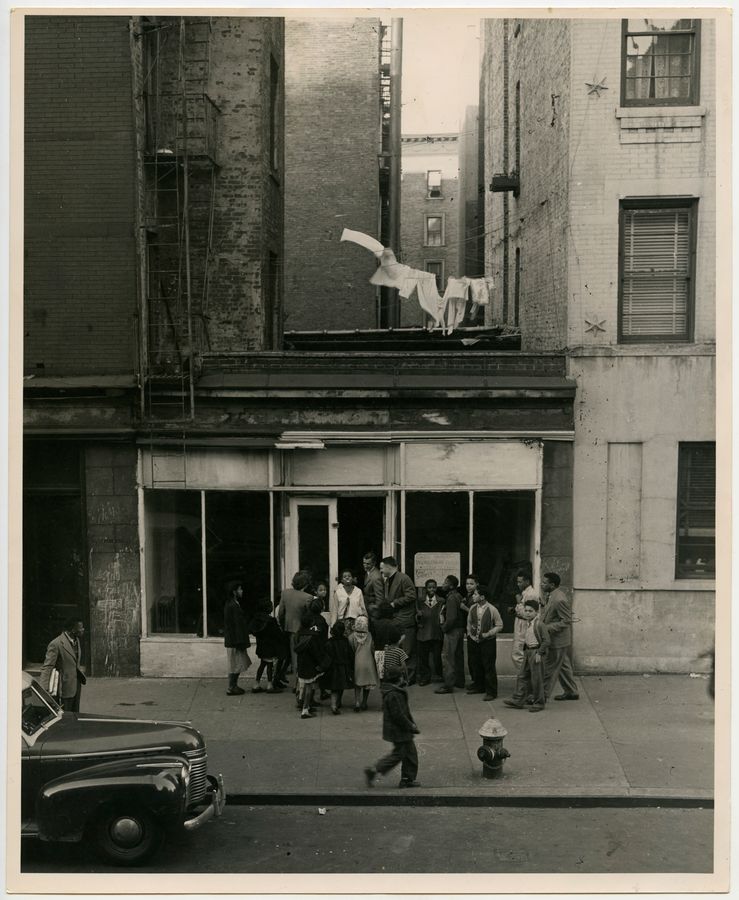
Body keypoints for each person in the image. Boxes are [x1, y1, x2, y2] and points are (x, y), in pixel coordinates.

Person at [364, 664, 420, 789]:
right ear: (399, 678)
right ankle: (376, 770)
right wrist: (410, 725)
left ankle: (407, 778)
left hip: (398, 730)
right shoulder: (395, 694)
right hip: (399, 730)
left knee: (408, 754)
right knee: (401, 754)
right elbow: (399, 715)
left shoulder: (392, 691)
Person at [504, 598, 550, 712]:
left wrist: (539, 652)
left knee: (537, 678)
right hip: (528, 652)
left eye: (531, 611)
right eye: (526, 610)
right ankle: (518, 699)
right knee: (522, 675)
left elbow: (547, 641)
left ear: (536, 612)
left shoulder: (540, 624)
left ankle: (539, 703)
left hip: (536, 652)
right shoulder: (528, 622)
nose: (528, 613)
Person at [541, 572, 579, 701]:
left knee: (549, 669)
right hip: (558, 640)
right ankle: (572, 691)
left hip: (558, 641)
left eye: (544, 582)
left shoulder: (559, 599)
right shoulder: (552, 595)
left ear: (552, 585)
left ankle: (542, 696)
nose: (542, 584)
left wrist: (548, 628)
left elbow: (566, 620)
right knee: (563, 666)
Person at [381, 556, 418, 684]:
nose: (381, 571)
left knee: (408, 651)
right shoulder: (388, 580)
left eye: (382, 568)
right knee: (401, 651)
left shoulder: (404, 578)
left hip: (405, 621)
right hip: (397, 621)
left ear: (388, 567)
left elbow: (412, 595)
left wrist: (394, 603)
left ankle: (409, 678)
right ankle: (401, 677)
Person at [39, 616, 87, 712]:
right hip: (63, 688)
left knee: (75, 714)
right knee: (65, 715)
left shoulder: (76, 640)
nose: (83, 629)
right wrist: (43, 690)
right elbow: (47, 667)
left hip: (76, 686)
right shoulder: (56, 644)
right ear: (73, 629)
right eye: (80, 627)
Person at [466, 586, 504, 700]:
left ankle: (491, 692)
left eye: (475, 594)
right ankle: (479, 686)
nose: (473, 596)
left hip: (488, 642)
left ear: (482, 597)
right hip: (474, 641)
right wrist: (470, 634)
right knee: (476, 664)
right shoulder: (473, 607)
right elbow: (469, 622)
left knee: (488, 666)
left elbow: (500, 625)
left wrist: (489, 633)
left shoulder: (492, 609)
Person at [278, 572, 314, 680]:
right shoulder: (308, 597)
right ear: (306, 584)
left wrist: (283, 625)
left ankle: (293, 681)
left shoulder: (285, 593)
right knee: (301, 657)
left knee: (293, 657)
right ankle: (299, 683)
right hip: (302, 631)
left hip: (288, 629)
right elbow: (309, 616)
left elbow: (280, 613)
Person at [434, 575, 466, 694]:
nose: (443, 584)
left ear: (451, 585)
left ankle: (448, 685)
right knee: (458, 655)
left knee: (447, 657)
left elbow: (451, 618)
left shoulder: (451, 598)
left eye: (445, 582)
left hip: (452, 631)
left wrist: (444, 628)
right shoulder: (458, 596)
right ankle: (460, 681)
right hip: (459, 629)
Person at [250, 598, 286, 694]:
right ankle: (270, 685)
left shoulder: (256, 619)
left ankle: (256, 684)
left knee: (262, 664)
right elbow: (277, 634)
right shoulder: (271, 621)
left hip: (261, 646)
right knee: (270, 665)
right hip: (270, 647)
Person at [294, 609, 325, 719]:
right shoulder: (313, 637)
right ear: (312, 623)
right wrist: (320, 663)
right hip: (310, 664)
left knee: (302, 684)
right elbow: (316, 652)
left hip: (301, 662)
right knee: (309, 686)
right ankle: (305, 709)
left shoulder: (298, 635)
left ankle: (301, 703)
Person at [223, 583, 251, 696]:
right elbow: (237, 626)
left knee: (236, 664)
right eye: (240, 589)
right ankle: (231, 686)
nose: (242, 591)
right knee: (236, 664)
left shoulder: (232, 604)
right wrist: (241, 642)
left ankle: (233, 685)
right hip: (235, 641)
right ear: (234, 592)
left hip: (233, 640)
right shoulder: (233, 606)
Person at [320, 621, 354, 714]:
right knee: (341, 686)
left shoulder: (329, 642)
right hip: (344, 667)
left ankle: (333, 705)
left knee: (334, 688)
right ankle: (338, 702)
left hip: (333, 668)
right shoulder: (345, 641)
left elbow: (327, 656)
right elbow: (350, 655)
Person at [416, 579, 443, 685]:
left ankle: (438, 676)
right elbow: (416, 614)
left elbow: (443, 616)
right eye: (429, 587)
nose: (432, 589)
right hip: (423, 633)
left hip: (436, 633)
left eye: (434, 587)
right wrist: (418, 617)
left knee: (437, 656)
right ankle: (425, 677)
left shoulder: (441, 601)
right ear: (426, 588)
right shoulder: (420, 600)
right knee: (423, 657)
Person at [348, 615, 378, 711]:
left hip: (357, 663)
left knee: (358, 684)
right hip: (369, 662)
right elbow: (373, 648)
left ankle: (357, 702)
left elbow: (351, 649)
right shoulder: (370, 636)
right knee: (367, 684)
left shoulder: (352, 636)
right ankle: (364, 702)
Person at [511, 572, 539, 671]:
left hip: (524, 626)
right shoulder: (525, 592)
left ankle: (525, 675)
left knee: (517, 654)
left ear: (527, 581)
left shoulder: (531, 594)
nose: (518, 584)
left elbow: (527, 614)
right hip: (520, 624)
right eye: (517, 582)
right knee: (518, 653)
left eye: (520, 582)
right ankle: (525, 676)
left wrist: (518, 603)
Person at [330, 569, 367, 633]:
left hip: (356, 622)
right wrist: (333, 626)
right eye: (344, 577)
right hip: (342, 623)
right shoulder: (338, 592)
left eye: (349, 576)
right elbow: (335, 610)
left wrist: (366, 621)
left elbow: (363, 608)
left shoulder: (358, 591)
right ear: (341, 580)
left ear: (352, 578)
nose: (347, 577)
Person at [362, 552, 385, 620]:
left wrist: (376, 613)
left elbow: (379, 598)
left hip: (373, 612)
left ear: (374, 563)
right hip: (368, 609)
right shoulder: (368, 572)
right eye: (364, 563)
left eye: (368, 564)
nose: (365, 565)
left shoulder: (376, 577)